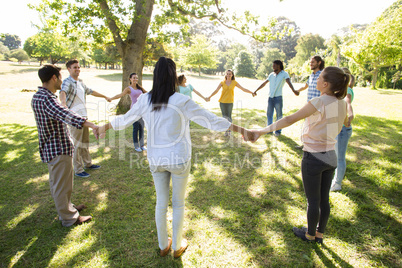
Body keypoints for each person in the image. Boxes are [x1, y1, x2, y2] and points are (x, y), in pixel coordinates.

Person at [97, 57, 250, 258]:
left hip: (157, 160)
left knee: (161, 203)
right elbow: (210, 120)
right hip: (178, 159)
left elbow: (125, 120)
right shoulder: (180, 100)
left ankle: (164, 246)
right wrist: (243, 130)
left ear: (155, 76)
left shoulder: (145, 99)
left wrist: (104, 126)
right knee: (177, 203)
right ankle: (176, 246)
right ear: (172, 76)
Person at [247, 66, 349, 244]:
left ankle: (309, 234)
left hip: (314, 157)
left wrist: (261, 131)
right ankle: (319, 234)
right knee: (324, 200)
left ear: (325, 84)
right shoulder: (342, 103)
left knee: (313, 200)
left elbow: (289, 119)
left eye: (319, 78)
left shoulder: (319, 102)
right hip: (331, 157)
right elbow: (345, 122)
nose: (315, 80)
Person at [31, 65, 97, 226]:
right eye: (59, 77)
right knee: (61, 185)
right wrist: (92, 125)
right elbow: (65, 114)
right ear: (54, 78)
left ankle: (68, 208)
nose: (61, 80)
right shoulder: (46, 99)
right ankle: (69, 217)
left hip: (52, 147)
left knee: (60, 183)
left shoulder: (39, 96)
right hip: (57, 148)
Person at [60, 59, 110, 178]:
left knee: (85, 142)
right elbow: (63, 92)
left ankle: (88, 163)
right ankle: (78, 169)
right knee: (76, 144)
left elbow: (91, 91)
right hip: (73, 118)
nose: (77, 69)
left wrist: (104, 96)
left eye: (78, 67)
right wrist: (63, 103)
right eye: (74, 67)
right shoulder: (67, 82)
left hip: (84, 117)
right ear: (69, 69)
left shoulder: (80, 82)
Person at [253, 60, 299, 136]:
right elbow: (264, 83)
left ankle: (278, 131)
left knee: (279, 115)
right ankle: (269, 130)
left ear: (279, 66)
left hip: (278, 97)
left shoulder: (284, 74)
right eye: (273, 66)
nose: (273, 67)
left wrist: (294, 90)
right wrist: (256, 90)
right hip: (270, 97)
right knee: (269, 114)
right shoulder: (271, 75)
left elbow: (289, 82)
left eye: (274, 66)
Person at [206, 69, 255, 136]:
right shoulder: (222, 82)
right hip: (222, 102)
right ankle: (226, 130)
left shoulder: (234, 82)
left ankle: (229, 131)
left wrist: (251, 92)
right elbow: (216, 90)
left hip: (230, 102)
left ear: (232, 75)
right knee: (224, 117)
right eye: (227, 74)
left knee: (229, 117)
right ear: (226, 74)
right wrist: (210, 96)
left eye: (230, 74)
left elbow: (243, 89)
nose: (228, 75)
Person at [109, 73, 148, 152]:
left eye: (136, 78)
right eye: (134, 78)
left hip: (141, 110)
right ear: (130, 79)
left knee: (141, 127)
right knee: (136, 128)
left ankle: (142, 145)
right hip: (134, 110)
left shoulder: (139, 88)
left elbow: (147, 94)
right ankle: (136, 146)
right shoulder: (128, 89)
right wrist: (111, 98)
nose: (135, 79)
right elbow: (120, 95)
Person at [331, 68, 355, 191]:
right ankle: (334, 178)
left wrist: (350, 114)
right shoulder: (340, 90)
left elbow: (348, 102)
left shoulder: (347, 91)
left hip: (343, 129)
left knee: (339, 157)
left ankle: (337, 183)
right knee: (335, 155)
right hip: (338, 127)